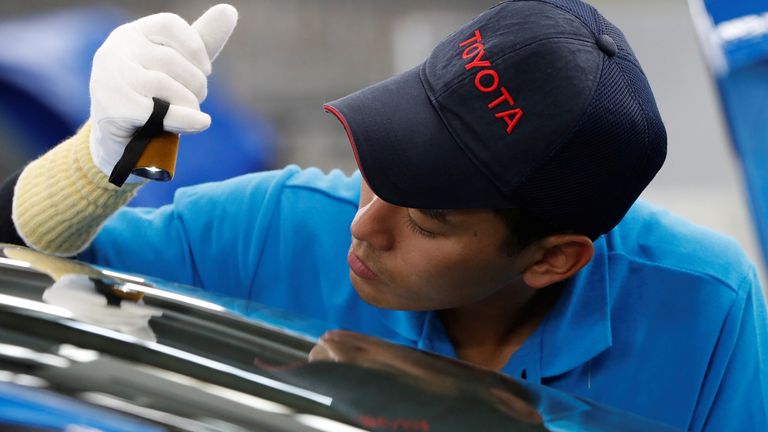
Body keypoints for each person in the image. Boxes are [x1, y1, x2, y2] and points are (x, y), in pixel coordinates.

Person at [0, 1, 766, 430]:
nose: (364, 225)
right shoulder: (279, 224)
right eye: (377, 169)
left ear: (553, 258)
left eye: (428, 221)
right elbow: (28, 279)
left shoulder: (708, 310)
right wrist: (102, 162)